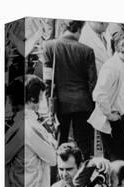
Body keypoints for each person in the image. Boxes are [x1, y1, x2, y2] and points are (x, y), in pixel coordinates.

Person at [43, 20, 97, 159]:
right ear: (79, 30)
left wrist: (50, 105)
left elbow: (47, 80)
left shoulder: (49, 47)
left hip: (60, 104)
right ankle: (83, 176)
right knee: (83, 144)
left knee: (60, 142)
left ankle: (60, 174)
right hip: (83, 104)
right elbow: (93, 83)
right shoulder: (87, 51)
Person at [89, 34, 124, 162]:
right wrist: (110, 115)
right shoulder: (112, 67)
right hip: (111, 121)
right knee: (118, 160)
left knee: (118, 158)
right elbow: (99, 93)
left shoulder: (121, 66)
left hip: (117, 119)